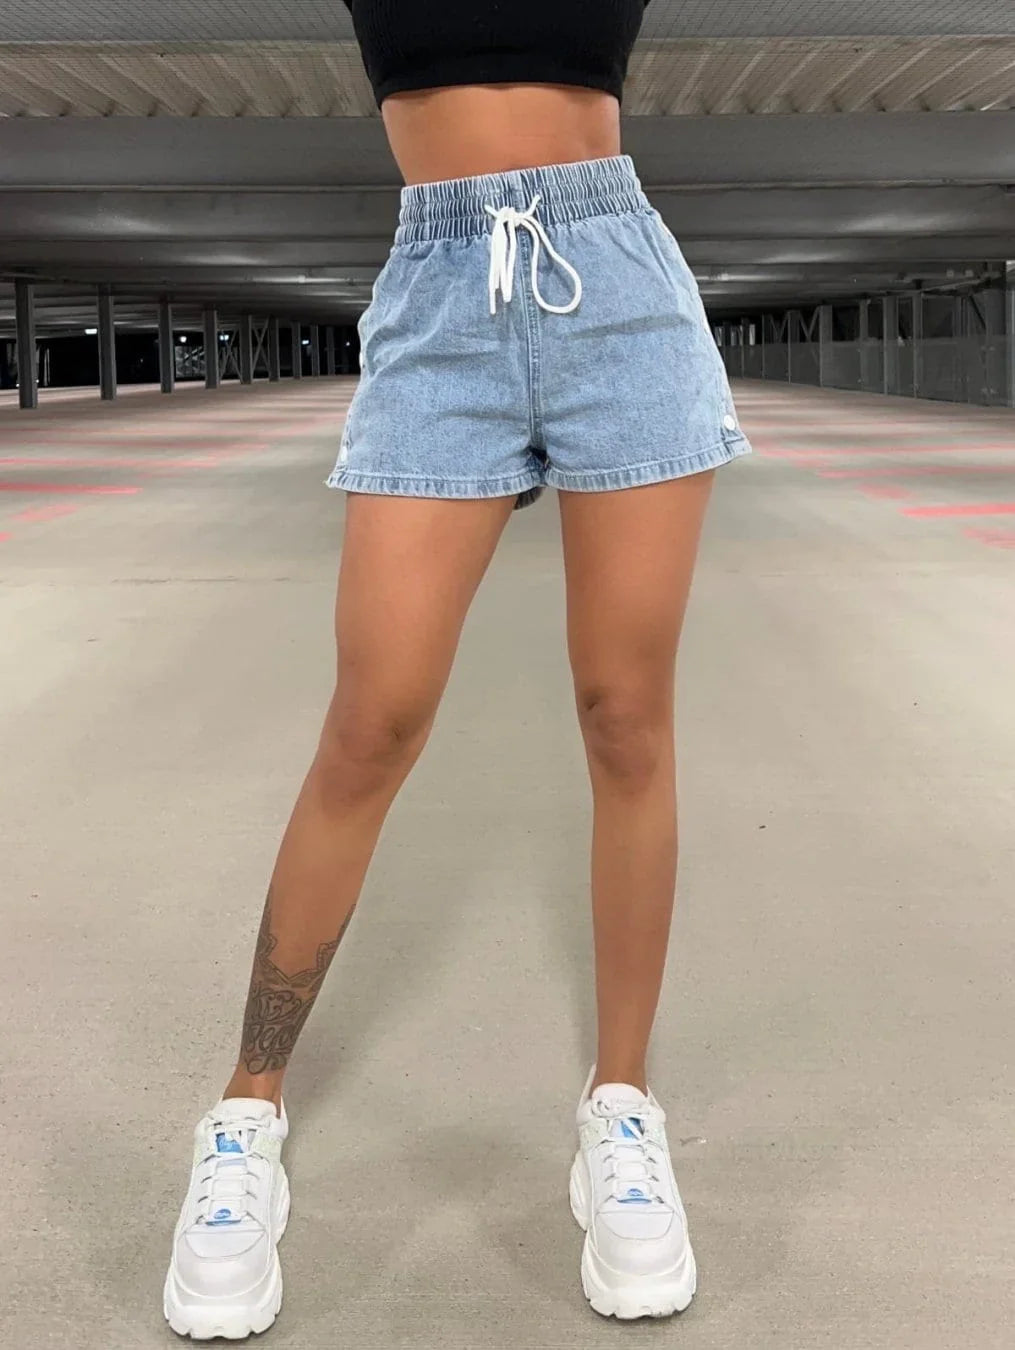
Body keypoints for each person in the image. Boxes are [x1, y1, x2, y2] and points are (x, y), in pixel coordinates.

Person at [163, 0, 751, 1337]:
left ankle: (620, 1112)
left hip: (616, 277)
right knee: (370, 723)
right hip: (441, 290)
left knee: (626, 718)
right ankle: (245, 1115)